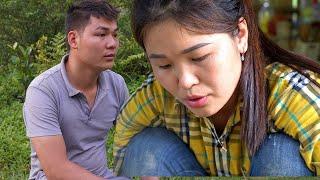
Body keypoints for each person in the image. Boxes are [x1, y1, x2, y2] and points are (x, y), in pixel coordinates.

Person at [113, 0, 320, 177]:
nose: (185, 82)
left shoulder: (289, 94)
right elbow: (123, 145)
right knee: (144, 147)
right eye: (164, 65)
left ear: (240, 35)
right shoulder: (156, 96)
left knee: (281, 155)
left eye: (199, 57)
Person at [23, 0, 129, 179]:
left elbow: (136, 140)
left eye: (115, 35)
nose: (112, 43)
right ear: (73, 39)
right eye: (102, 34)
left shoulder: (116, 84)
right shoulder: (43, 91)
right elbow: (56, 170)